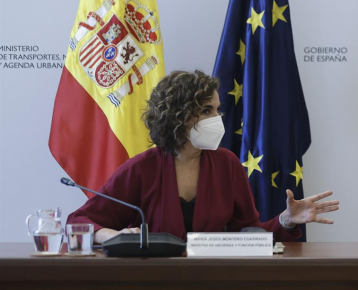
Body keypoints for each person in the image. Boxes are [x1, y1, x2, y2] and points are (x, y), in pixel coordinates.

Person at [68, 70, 338, 242]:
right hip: (153, 286)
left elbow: (248, 233)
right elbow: (78, 222)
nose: (217, 118)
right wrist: (114, 236)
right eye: (207, 110)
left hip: (214, 285)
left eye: (217, 110)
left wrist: (285, 220)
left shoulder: (227, 164)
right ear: (179, 116)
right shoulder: (142, 168)